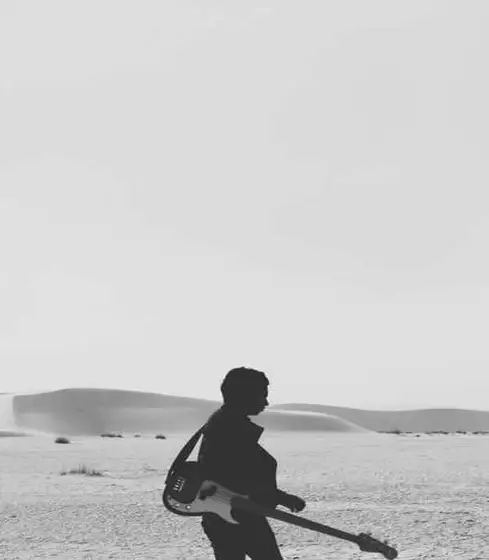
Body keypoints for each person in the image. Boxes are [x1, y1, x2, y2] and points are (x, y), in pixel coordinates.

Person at [197, 366, 306, 560]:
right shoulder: (229, 429)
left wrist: (279, 498)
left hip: (231, 514)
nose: (266, 402)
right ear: (244, 395)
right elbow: (236, 479)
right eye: (262, 395)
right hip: (236, 516)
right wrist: (282, 498)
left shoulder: (225, 424)